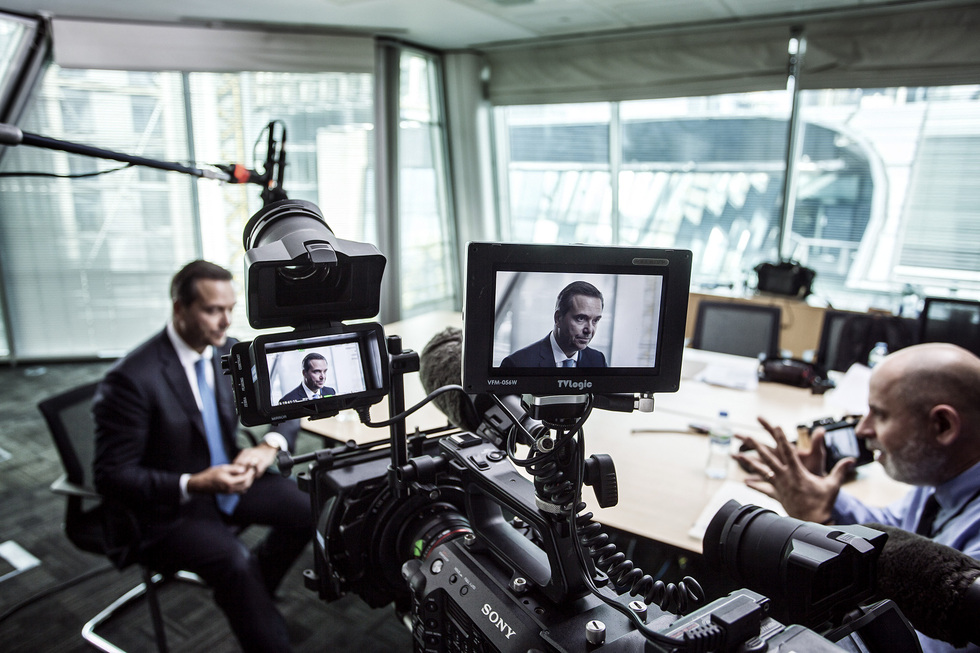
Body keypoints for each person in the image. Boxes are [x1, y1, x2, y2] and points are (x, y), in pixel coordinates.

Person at [93, 260, 310, 653]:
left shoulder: (227, 350)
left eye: (230, 309)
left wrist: (270, 445)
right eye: (213, 310)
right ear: (180, 308)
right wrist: (192, 483)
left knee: (310, 506)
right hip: (169, 506)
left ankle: (255, 592)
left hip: (230, 477)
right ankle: (254, 607)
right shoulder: (131, 379)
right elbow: (111, 476)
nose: (226, 321)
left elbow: (288, 401)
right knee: (234, 562)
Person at [734, 342, 980, 653]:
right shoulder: (942, 474)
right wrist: (824, 498)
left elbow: (919, 647)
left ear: (942, 425)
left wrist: (823, 526)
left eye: (880, 414)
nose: (862, 429)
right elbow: (893, 530)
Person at [501, 280, 607, 368]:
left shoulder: (598, 360)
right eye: (581, 318)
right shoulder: (517, 364)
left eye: (595, 320)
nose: (589, 330)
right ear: (558, 318)